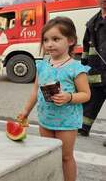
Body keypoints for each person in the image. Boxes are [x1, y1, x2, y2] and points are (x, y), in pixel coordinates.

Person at [18, 17, 91, 181]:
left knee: (65, 157)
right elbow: (35, 90)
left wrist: (69, 97)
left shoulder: (76, 68)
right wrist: (25, 111)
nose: (49, 44)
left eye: (56, 39)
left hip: (67, 122)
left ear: (71, 40)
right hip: (45, 120)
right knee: (49, 155)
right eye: (46, 40)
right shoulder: (42, 65)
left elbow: (86, 94)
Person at [78, 0, 106, 147]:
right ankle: (83, 127)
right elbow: (86, 47)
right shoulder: (92, 23)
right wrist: (83, 66)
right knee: (92, 100)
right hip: (96, 70)